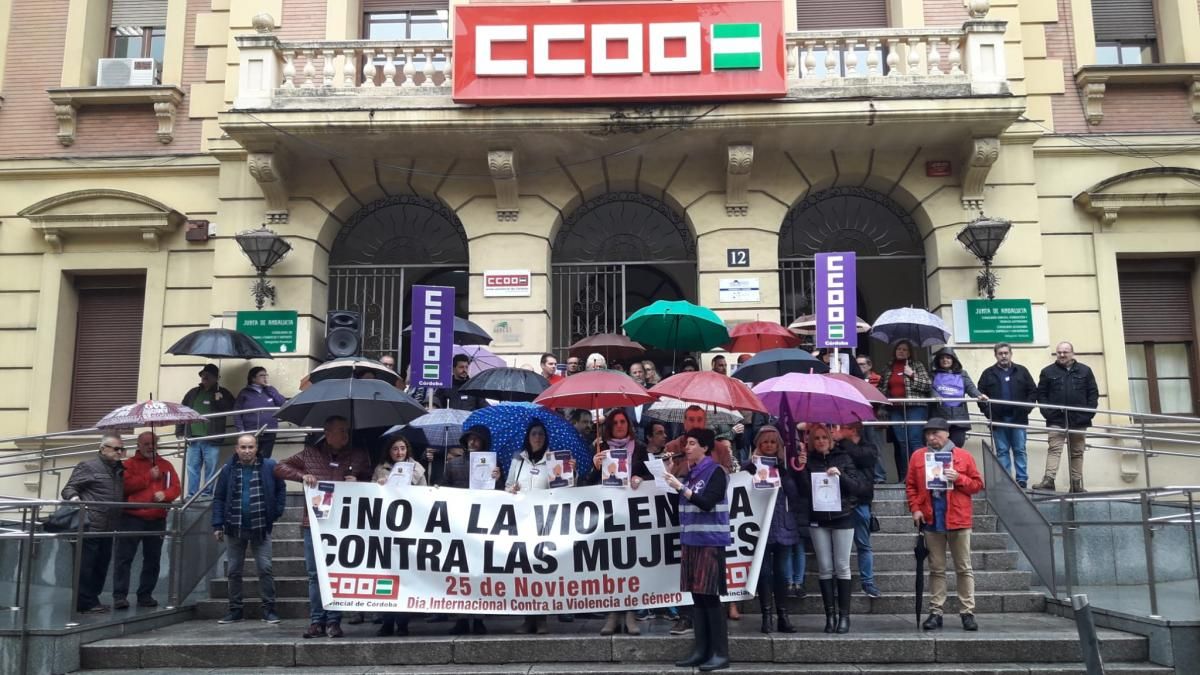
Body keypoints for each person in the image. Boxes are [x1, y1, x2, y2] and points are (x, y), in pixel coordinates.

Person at [274, 416, 371, 638]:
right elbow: (279, 467)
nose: (345, 435)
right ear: (327, 433)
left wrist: (358, 481)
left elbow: (371, 479)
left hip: (343, 524)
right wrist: (302, 475)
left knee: (336, 572)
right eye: (341, 431)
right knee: (314, 574)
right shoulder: (310, 453)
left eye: (346, 431)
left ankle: (334, 621)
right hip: (315, 523)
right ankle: (317, 620)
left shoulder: (358, 454)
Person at [905, 418, 983, 632]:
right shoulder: (918, 456)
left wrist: (959, 478)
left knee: (963, 568)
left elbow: (977, 485)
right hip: (932, 519)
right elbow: (911, 485)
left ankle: (967, 612)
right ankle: (936, 611)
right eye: (928, 434)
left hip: (958, 518)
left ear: (947, 434)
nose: (931, 437)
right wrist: (916, 508)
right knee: (936, 569)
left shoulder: (963, 456)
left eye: (936, 433)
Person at [664, 429, 732, 672]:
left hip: (710, 541)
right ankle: (701, 650)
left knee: (711, 597)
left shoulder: (715, 471)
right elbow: (678, 510)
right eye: (687, 443)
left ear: (705, 448)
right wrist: (672, 480)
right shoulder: (690, 474)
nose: (687, 448)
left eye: (692, 443)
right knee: (697, 597)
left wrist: (680, 487)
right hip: (691, 540)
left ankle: (720, 653)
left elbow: (707, 503)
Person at [588, 409, 651, 636]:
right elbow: (587, 483)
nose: (620, 425)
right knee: (611, 564)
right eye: (615, 422)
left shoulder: (640, 448)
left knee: (631, 564)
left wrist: (640, 478)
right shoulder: (599, 448)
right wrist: (595, 467)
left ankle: (630, 614)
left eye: (623, 421)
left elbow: (650, 475)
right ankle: (613, 614)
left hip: (632, 514)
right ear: (610, 426)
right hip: (608, 515)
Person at [802, 423, 870, 634]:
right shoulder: (808, 461)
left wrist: (840, 475)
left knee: (842, 566)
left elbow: (858, 487)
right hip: (818, 518)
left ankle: (844, 616)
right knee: (824, 567)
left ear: (830, 440)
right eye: (816, 438)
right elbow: (804, 492)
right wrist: (801, 468)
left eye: (824, 437)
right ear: (811, 442)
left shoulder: (844, 457)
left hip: (842, 516)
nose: (821, 441)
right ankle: (829, 615)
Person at [213, 434, 287, 624]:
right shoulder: (228, 469)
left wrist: (276, 513)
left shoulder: (270, 466)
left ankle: (269, 610)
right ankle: (235, 610)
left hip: (261, 527)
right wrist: (217, 524)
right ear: (236, 449)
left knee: (265, 569)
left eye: (250, 447)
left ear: (257, 448)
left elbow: (281, 489)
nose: (247, 451)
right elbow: (219, 497)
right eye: (243, 447)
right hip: (234, 527)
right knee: (234, 571)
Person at [742, 426, 802, 634]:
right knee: (765, 573)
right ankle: (766, 616)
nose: (768, 446)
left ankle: (783, 615)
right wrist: (752, 466)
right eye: (764, 442)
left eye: (772, 442)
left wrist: (785, 473)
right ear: (758, 444)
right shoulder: (749, 467)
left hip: (783, 525)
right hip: (760, 526)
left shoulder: (786, 467)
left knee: (783, 573)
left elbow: (795, 494)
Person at [442, 425, 500, 635]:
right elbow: (442, 489)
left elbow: (501, 495)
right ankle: (460, 618)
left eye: (477, 440)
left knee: (479, 571)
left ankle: (478, 617)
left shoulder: (495, 465)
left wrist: (497, 477)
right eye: (470, 439)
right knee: (459, 573)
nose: (473, 443)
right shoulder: (453, 464)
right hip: (458, 524)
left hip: (482, 524)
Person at [113, 431, 180, 609]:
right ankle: (120, 596)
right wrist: (148, 477)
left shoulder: (166, 465)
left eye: (153, 443)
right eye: (146, 444)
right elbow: (125, 487)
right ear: (138, 445)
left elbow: (176, 488)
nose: (150, 447)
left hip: (157, 518)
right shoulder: (129, 464)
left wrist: (165, 495)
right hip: (131, 517)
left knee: (152, 559)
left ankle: (145, 595)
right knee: (124, 558)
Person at [63, 433, 127, 613]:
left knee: (101, 565)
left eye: (122, 449)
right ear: (103, 449)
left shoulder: (118, 469)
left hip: (109, 526)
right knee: (86, 566)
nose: (120, 452)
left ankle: (93, 599)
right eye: (116, 449)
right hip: (90, 524)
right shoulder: (89, 466)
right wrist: (77, 501)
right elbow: (69, 488)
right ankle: (84, 602)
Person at [506, 421, 556, 634]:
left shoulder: (553, 460)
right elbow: (507, 487)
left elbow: (565, 488)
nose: (537, 438)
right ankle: (528, 618)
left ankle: (542, 618)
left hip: (545, 522)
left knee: (542, 569)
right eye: (534, 434)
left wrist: (570, 472)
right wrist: (512, 489)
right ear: (528, 436)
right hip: (522, 520)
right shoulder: (518, 461)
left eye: (541, 435)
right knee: (525, 570)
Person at [372, 437, 425, 636]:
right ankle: (387, 621)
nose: (399, 452)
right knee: (387, 575)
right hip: (387, 528)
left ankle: (402, 622)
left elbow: (425, 495)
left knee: (406, 576)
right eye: (395, 449)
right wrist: (379, 485)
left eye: (403, 448)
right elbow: (369, 493)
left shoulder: (417, 468)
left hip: (410, 528)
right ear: (389, 451)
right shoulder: (380, 469)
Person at [1035, 342, 1099, 493]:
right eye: (1059, 352)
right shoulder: (1047, 372)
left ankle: (1076, 485)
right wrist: (1048, 413)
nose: (1062, 355)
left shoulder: (1085, 371)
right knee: (1054, 449)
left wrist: (1087, 414)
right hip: (1056, 419)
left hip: (1079, 419)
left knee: (1077, 452)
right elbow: (1041, 395)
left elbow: (1093, 394)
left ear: (1072, 353)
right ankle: (1048, 480)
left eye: (1065, 352)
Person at [977, 343, 1038, 488]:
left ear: (1011, 354)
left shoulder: (1021, 371)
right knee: (1002, 451)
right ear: (995, 355)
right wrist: (988, 412)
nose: (1003, 356)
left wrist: (1026, 409)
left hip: (1018, 418)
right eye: (1000, 353)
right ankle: (1006, 481)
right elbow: (980, 395)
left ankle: (1021, 479)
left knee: (1019, 450)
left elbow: (1033, 391)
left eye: (1006, 353)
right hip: (998, 419)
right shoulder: (988, 373)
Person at [834, 423, 882, 598]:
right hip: (842, 501)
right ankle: (838, 581)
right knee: (839, 546)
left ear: (853, 430)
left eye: (841, 428)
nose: (836, 431)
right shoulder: (837, 448)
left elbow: (861, 458)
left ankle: (868, 582)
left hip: (861, 501)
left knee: (864, 544)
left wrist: (843, 442)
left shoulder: (869, 448)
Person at [878, 340, 931, 482]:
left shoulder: (917, 365)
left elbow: (927, 386)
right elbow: (882, 388)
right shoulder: (889, 367)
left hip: (915, 407)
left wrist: (912, 374)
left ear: (910, 353)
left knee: (915, 441)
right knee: (901, 442)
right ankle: (905, 477)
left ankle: (920, 477)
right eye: (899, 349)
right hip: (895, 409)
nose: (901, 351)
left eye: (905, 350)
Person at [179, 364, 234, 497]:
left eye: (208, 375)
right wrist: (180, 431)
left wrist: (220, 400)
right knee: (192, 468)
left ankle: (206, 495)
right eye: (203, 374)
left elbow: (231, 409)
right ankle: (192, 495)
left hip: (212, 439)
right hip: (193, 437)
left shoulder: (223, 392)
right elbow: (182, 411)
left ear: (216, 378)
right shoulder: (193, 393)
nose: (205, 377)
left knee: (211, 469)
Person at [928, 347, 987, 449]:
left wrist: (979, 395)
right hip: (939, 415)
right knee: (939, 446)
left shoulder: (962, 374)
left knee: (957, 445)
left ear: (953, 360)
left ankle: (955, 465)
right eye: (942, 358)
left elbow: (970, 387)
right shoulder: (933, 374)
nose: (945, 360)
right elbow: (929, 388)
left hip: (959, 417)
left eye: (948, 358)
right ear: (938, 360)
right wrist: (935, 395)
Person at [234, 367, 288, 459]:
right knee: (250, 457)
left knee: (265, 458)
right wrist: (241, 430)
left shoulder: (270, 390)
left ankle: (262, 473)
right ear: (253, 378)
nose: (265, 377)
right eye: (261, 375)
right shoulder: (244, 393)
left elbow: (282, 403)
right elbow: (237, 413)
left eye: (266, 375)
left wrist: (269, 388)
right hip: (251, 431)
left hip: (270, 430)